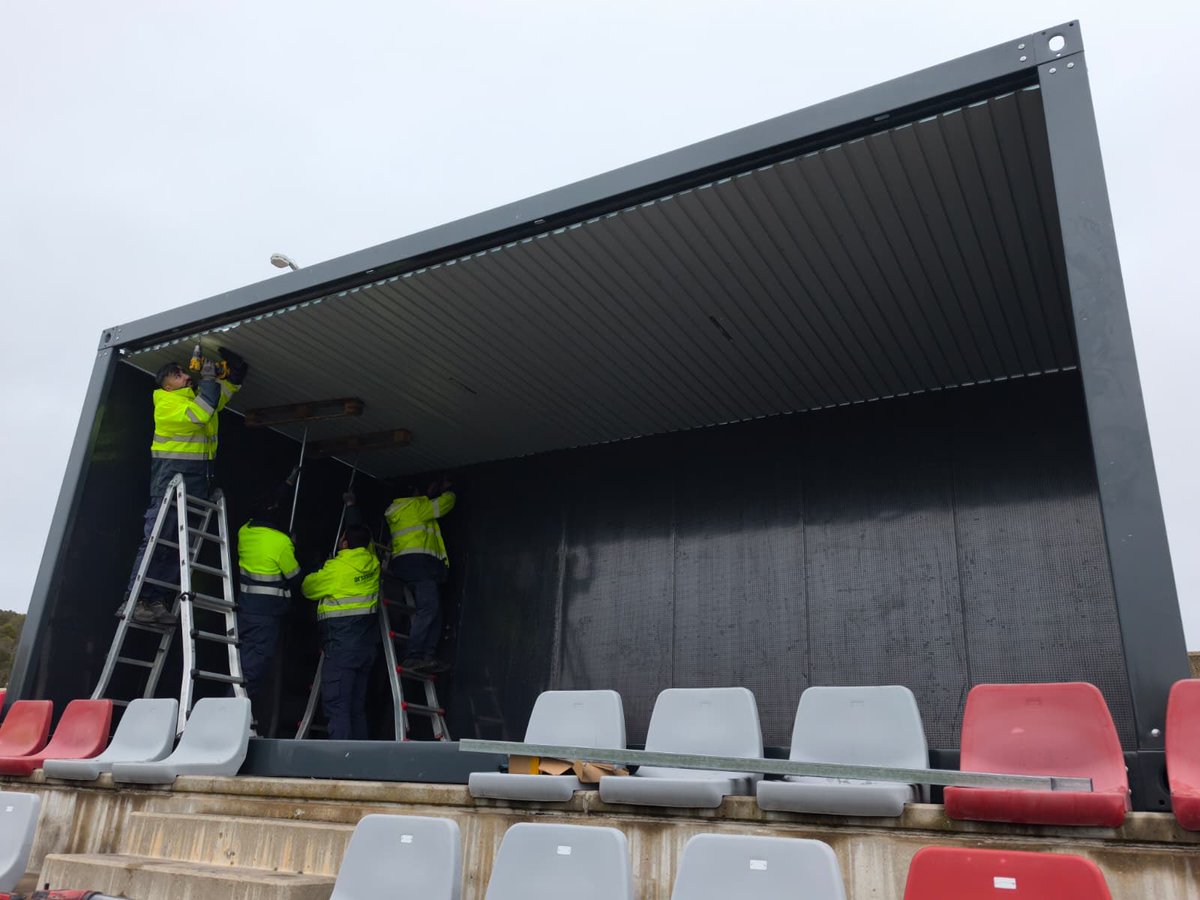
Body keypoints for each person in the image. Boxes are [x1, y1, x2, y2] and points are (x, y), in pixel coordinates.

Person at [124, 350, 248, 624]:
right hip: (171, 487)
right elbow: (201, 414)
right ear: (167, 385)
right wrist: (208, 379)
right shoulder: (167, 404)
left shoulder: (196, 399)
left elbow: (218, 398)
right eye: (178, 374)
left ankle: (156, 601)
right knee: (157, 544)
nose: (185, 376)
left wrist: (232, 376)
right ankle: (136, 599)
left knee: (178, 551)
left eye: (184, 372)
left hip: (195, 488)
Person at [301, 501, 380, 741]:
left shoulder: (336, 569)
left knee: (337, 709)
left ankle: (341, 759)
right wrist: (352, 508)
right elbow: (363, 539)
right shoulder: (372, 563)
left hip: (341, 650)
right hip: (365, 651)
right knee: (356, 710)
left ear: (344, 543)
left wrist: (316, 566)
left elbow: (307, 588)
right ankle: (359, 760)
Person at [236, 481, 302, 721]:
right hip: (267, 614)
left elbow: (267, 506)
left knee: (242, 663)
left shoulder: (244, 532)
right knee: (255, 668)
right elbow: (295, 577)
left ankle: (238, 710)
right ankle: (236, 714)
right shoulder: (281, 542)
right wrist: (292, 546)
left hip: (246, 608)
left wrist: (286, 485)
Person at [384, 479, 455, 672]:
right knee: (429, 608)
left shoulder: (400, 509)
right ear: (415, 493)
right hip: (421, 564)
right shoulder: (416, 506)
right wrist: (449, 491)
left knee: (435, 611)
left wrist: (429, 494)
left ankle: (427, 656)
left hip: (405, 565)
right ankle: (414, 656)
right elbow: (444, 504)